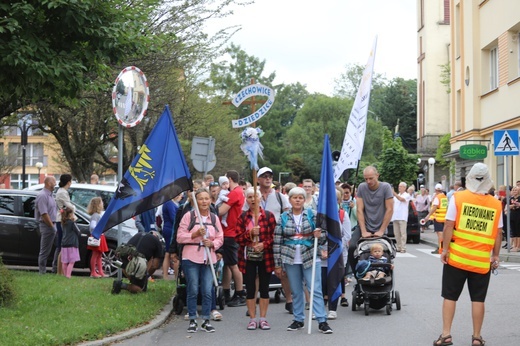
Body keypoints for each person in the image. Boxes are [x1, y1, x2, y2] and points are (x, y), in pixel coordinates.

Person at [433, 163, 502, 346]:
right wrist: (495, 256)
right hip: (480, 262)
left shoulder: (458, 198)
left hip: (456, 258)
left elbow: (448, 225)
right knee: (478, 299)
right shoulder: (496, 204)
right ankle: (477, 337)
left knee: (450, 296)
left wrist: (445, 250)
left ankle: (446, 334)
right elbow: (498, 232)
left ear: (469, 178)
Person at [273, 187, 333, 334]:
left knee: (315, 289)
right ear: (290, 200)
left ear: (304, 200)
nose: (298, 200)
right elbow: (277, 241)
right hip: (290, 257)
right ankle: (298, 319)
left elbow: (323, 237)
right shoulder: (283, 217)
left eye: (301, 197)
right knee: (296, 290)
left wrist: (319, 234)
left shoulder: (312, 215)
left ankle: (322, 320)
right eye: (295, 197)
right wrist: (278, 264)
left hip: (310, 256)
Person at [177, 188, 224, 333]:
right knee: (192, 289)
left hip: (209, 259)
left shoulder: (214, 218)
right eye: (201, 199)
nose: (204, 201)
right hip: (191, 258)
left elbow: (220, 236)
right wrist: (195, 234)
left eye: (206, 198)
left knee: (207, 290)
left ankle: (206, 320)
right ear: (195, 201)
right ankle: (192, 319)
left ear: (210, 200)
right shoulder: (188, 216)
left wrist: (213, 244)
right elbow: (179, 236)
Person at [236, 187, 277, 330]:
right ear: (246, 200)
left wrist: (263, 244)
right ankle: (253, 318)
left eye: (255, 196)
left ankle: (263, 318)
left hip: (265, 256)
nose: (253, 199)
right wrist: (249, 234)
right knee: (251, 288)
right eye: (249, 197)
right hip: (248, 257)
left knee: (264, 288)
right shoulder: (242, 218)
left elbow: (275, 236)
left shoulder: (268, 216)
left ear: (260, 198)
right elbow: (238, 238)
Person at [257, 166, 293, 313]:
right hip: (259, 238)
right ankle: (254, 301)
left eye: (270, 176)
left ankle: (289, 300)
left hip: (277, 238)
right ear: (258, 179)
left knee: (282, 271)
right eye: (264, 176)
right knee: (258, 271)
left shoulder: (279, 196)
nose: (267, 178)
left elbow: (288, 214)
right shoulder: (253, 195)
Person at [348, 166, 393, 273]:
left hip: (380, 226)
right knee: (352, 247)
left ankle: (385, 272)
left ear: (377, 176)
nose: (368, 181)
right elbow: (359, 209)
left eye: (371, 178)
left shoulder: (385, 187)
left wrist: (381, 230)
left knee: (385, 250)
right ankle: (358, 274)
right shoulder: (362, 188)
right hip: (365, 225)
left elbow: (390, 209)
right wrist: (363, 231)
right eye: (366, 179)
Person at [217, 170, 246, 307]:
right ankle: (226, 291)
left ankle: (240, 293)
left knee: (233, 264)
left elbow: (221, 211)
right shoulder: (240, 191)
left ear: (229, 179)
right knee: (228, 264)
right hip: (230, 231)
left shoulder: (235, 193)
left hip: (231, 232)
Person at [35, 176, 58, 274]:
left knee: (58, 247)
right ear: (48, 183)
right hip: (47, 225)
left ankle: (55, 269)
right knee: (45, 250)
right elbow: (44, 214)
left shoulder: (51, 195)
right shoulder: (42, 195)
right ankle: (42, 271)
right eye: (54, 182)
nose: (56, 184)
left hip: (53, 224)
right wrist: (51, 227)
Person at [53, 174, 75, 274]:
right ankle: (58, 270)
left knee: (62, 246)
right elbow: (69, 206)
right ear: (68, 182)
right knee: (62, 246)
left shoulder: (63, 191)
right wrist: (74, 208)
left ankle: (60, 270)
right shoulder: (62, 192)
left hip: (63, 219)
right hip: (61, 220)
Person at [162, 193, 183, 280]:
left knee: (168, 253)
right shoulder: (169, 203)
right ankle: (170, 276)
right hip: (170, 229)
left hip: (169, 228)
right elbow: (173, 217)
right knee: (170, 253)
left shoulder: (171, 203)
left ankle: (168, 275)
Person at [86, 197, 109, 277]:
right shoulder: (95, 215)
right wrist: (100, 229)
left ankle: (100, 272)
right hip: (97, 236)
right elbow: (92, 226)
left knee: (99, 255)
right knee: (95, 255)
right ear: (97, 205)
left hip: (99, 236)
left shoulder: (97, 215)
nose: (102, 204)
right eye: (101, 203)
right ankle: (93, 272)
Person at [423, 184, 448, 254]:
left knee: (440, 234)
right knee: (442, 234)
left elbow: (434, 207)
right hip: (444, 218)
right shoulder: (444, 197)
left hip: (438, 218)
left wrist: (428, 215)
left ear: (435, 190)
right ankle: (442, 248)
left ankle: (440, 249)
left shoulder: (437, 197)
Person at [60, 207, 81, 278]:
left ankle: (65, 274)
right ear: (70, 214)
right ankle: (68, 275)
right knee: (72, 261)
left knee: (64, 261)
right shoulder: (72, 223)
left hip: (64, 244)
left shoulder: (63, 223)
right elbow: (78, 232)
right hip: (72, 244)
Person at [392, 182, 411, 253]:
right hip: (395, 216)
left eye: (401, 186)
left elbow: (401, 199)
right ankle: (398, 246)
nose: (399, 188)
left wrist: (394, 193)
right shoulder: (397, 195)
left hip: (402, 217)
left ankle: (403, 247)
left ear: (404, 188)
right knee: (396, 233)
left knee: (403, 233)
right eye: (399, 186)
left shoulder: (407, 195)